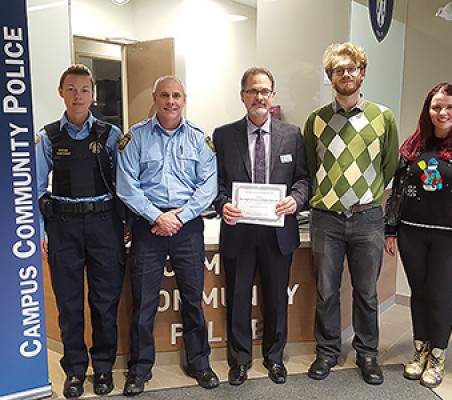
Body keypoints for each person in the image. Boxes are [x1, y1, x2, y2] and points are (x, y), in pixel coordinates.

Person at [384, 83, 452, 388]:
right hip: (412, 234)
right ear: (428, 110)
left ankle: (437, 356)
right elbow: (398, 193)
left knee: (439, 296)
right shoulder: (413, 145)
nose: (442, 112)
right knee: (419, 295)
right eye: (436, 107)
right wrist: (390, 229)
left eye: (449, 107)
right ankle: (419, 352)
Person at [116, 76, 219, 396]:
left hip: (187, 228)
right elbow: (126, 186)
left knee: (192, 299)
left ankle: (200, 362)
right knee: (144, 302)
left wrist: (179, 217)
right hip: (149, 227)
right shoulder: (135, 137)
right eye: (164, 95)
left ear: (184, 99)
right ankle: (140, 368)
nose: (170, 101)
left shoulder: (201, 140)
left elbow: (208, 187)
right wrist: (157, 216)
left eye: (176, 95)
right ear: (154, 97)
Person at [303, 42, 399, 385]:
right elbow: (312, 168)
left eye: (352, 69)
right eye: (339, 70)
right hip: (326, 218)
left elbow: (389, 167)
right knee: (327, 289)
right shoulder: (316, 120)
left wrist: (364, 195)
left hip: (367, 218)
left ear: (362, 73)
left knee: (366, 292)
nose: (346, 75)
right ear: (330, 77)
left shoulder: (382, 117)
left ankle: (367, 353)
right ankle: (327, 351)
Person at [212, 67, 311, 386]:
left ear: (273, 96)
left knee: (276, 298)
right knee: (238, 298)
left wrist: (296, 200)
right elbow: (215, 183)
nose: (259, 97)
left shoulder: (293, 134)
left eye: (265, 91)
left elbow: (303, 180)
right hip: (239, 230)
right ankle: (239, 361)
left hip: (277, 232)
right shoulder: (223, 135)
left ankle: (274, 358)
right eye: (253, 91)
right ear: (242, 97)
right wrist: (222, 204)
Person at [35, 64, 125, 398]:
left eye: (84, 90)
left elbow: (124, 184)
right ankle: (74, 371)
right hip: (64, 227)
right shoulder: (47, 137)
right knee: (69, 305)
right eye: (71, 89)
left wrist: (126, 223)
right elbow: (34, 189)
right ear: (61, 92)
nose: (78, 96)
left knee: (105, 302)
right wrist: (40, 231)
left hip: (104, 225)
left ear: (93, 94)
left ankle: (103, 369)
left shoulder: (111, 135)